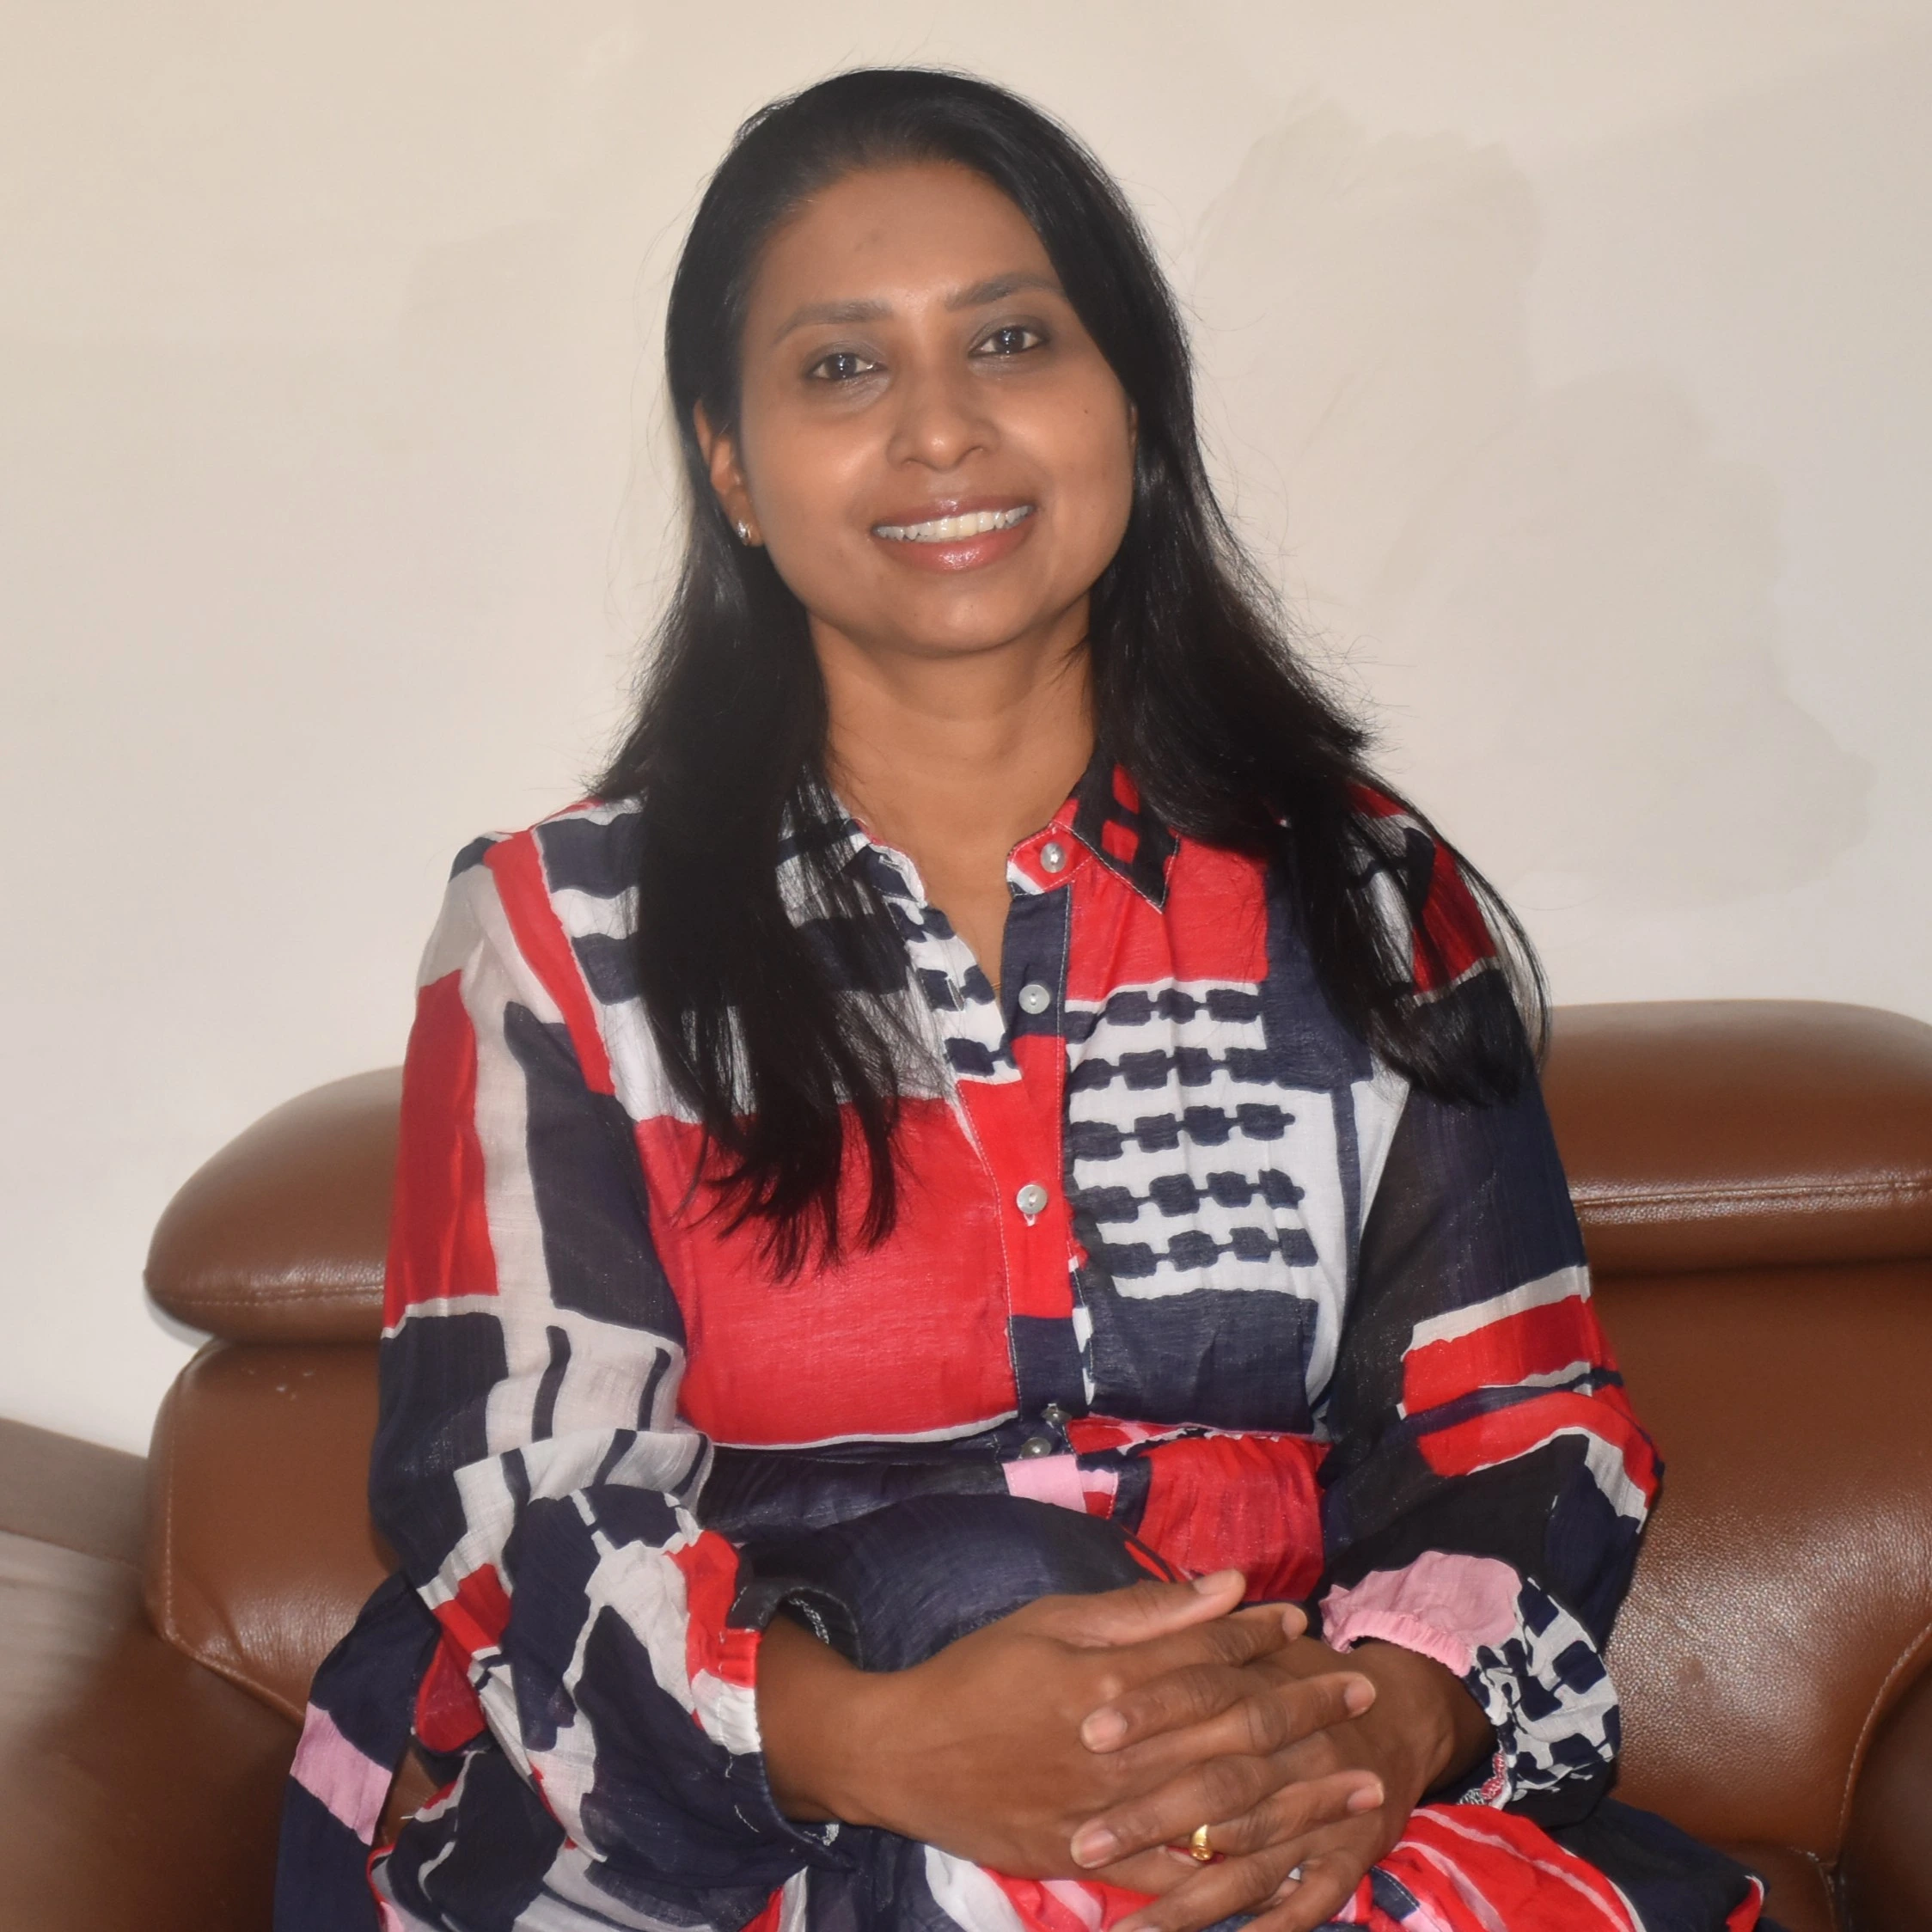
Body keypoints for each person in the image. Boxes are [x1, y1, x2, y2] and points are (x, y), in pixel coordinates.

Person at [276, 68, 1779, 1932]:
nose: (940, 428)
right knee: (974, 1601)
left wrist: (1365, 1735)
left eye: (1009, 339)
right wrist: (883, 1741)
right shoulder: (567, 931)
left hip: (1263, 1801)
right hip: (730, 1809)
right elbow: (517, 1500)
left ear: (1129, 403)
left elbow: (1513, 1420)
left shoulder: (1364, 900)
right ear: (730, 466)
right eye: (842, 367)